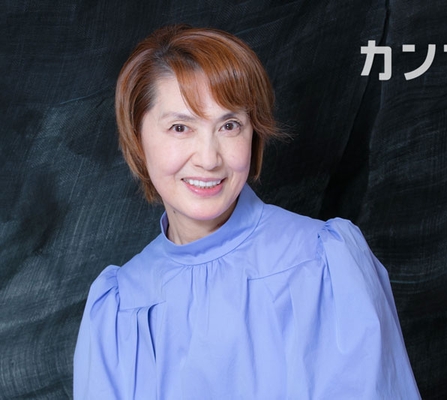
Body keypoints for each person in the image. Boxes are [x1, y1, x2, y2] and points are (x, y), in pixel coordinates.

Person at [73, 24, 420, 399]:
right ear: (137, 138)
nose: (209, 159)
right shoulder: (119, 306)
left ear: (253, 134)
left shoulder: (322, 263)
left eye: (229, 125)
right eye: (180, 127)